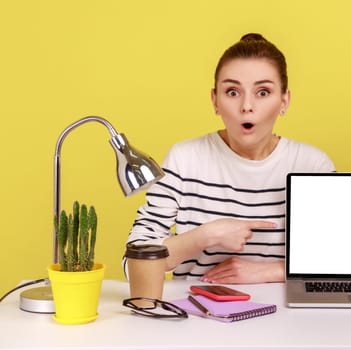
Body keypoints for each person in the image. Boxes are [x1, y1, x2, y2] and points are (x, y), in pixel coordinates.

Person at [124, 33, 335, 284]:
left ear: (284, 101)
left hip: (286, 317)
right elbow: (133, 264)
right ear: (215, 100)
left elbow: (336, 262)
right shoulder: (184, 158)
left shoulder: (312, 165)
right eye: (233, 92)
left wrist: (267, 272)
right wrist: (207, 235)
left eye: (263, 92)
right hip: (197, 315)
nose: (247, 106)